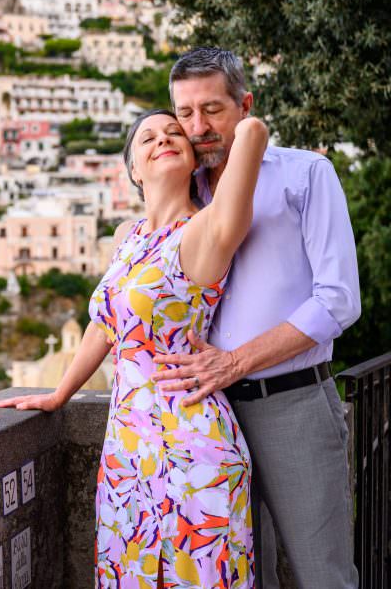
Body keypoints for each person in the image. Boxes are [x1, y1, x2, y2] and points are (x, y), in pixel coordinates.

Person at [0, 103, 269, 588]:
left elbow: (252, 134)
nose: (164, 139)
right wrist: (60, 394)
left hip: (192, 449)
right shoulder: (127, 236)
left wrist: (218, 119)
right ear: (134, 172)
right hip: (126, 451)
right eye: (149, 138)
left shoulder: (204, 230)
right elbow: (106, 326)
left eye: (174, 134)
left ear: (193, 158)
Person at [151, 47, 361, 588]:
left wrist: (235, 362)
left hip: (293, 406)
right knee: (238, 579)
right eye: (185, 113)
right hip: (208, 417)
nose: (198, 127)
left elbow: (338, 300)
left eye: (212, 109)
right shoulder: (182, 193)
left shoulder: (306, 174)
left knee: (323, 577)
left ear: (245, 106)